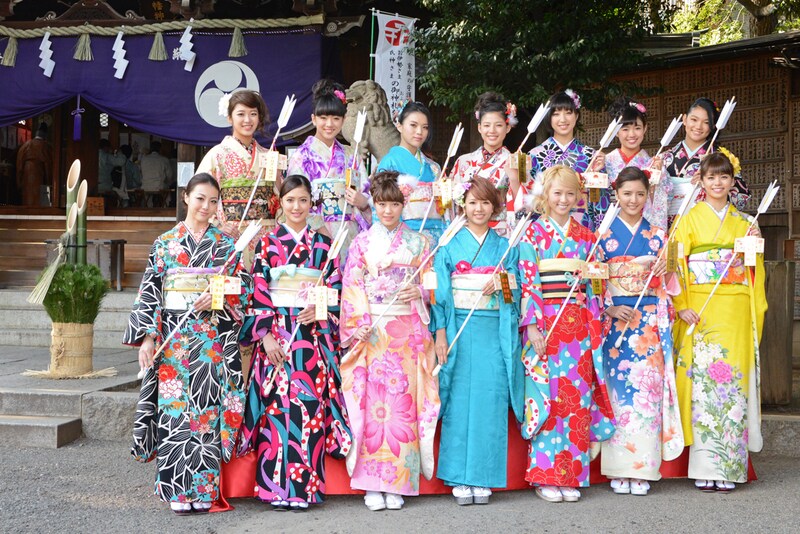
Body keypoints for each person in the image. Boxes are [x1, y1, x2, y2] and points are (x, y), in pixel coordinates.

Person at [124, 173, 252, 514]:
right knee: (175, 413)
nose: (206, 207)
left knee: (206, 416)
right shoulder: (165, 243)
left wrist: (216, 294)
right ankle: (176, 488)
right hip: (173, 341)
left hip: (210, 341)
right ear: (186, 197)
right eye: (200, 199)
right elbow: (151, 292)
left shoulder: (225, 245)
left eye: (213, 201)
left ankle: (204, 489)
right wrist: (148, 339)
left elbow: (244, 288)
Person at [237, 175, 352, 509]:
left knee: (309, 410)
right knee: (276, 410)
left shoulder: (323, 245)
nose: (297, 207)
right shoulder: (267, 244)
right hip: (277, 337)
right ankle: (273, 488)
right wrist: (266, 336)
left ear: (311, 204)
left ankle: (305, 490)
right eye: (290, 201)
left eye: (303, 200)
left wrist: (319, 306)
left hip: (310, 338)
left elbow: (335, 289)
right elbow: (258, 292)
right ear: (281, 204)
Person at [339, 170, 440, 511]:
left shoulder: (421, 242)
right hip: (374, 329)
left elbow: (432, 282)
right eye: (381, 204)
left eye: (394, 204)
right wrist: (359, 324)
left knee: (404, 403)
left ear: (403, 204)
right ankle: (371, 482)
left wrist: (422, 291)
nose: (387, 211)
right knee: (372, 402)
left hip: (406, 330)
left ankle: (397, 481)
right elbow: (352, 285)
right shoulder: (361, 242)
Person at [517, 165, 615, 503]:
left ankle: (571, 476)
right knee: (548, 398)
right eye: (557, 193)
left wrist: (592, 277)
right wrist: (531, 326)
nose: (563, 199)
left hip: (579, 327)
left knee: (577, 400)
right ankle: (545, 475)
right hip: (546, 323)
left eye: (569, 194)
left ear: (578, 197)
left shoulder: (588, 238)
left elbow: (599, 284)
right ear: (546, 195)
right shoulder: (532, 236)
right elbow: (529, 282)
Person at [671, 152, 766, 492]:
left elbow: (754, 269)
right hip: (701, 305)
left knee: (733, 386)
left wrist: (753, 244)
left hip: (735, 307)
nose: (717, 183)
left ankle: (729, 466)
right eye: (711, 177)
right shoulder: (688, 218)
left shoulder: (744, 222)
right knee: (704, 388)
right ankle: (704, 465)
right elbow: (677, 262)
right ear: (701, 180)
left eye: (724, 177)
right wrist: (681, 304)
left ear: (731, 181)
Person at [431, 177, 524, 506]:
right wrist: (440, 333)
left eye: (485, 202)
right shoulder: (448, 246)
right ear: (462, 205)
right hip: (459, 328)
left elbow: (517, 289)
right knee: (459, 399)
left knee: (489, 399)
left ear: (495, 206)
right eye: (472, 202)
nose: (479, 209)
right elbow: (439, 295)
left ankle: (483, 477)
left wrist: (502, 283)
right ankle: (458, 475)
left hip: (492, 329)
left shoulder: (505, 246)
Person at [597, 167, 684, 496]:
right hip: (616, 323)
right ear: (615, 195)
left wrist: (667, 267)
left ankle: (644, 468)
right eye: (627, 193)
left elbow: (672, 285)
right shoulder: (602, 235)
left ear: (648, 197)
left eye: (640, 194)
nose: (633, 200)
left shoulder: (659, 235)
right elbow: (594, 277)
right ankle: (619, 468)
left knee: (646, 396)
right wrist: (608, 307)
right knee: (619, 396)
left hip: (647, 323)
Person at [286, 79, 371, 262]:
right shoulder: (302, 156)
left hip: (348, 231)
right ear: (313, 119)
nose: (329, 124)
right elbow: (295, 199)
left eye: (335, 118)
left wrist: (363, 202)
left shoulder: (351, 154)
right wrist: (322, 231)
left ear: (344, 120)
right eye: (323, 118)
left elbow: (365, 192)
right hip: (315, 232)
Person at [197, 90, 277, 247]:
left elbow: (279, 197)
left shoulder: (268, 155)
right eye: (241, 114)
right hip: (231, 233)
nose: (247, 120)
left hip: (265, 233)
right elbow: (199, 194)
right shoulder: (218, 155)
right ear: (229, 118)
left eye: (253, 114)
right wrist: (218, 224)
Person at [526, 90, 606, 230]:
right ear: (549, 119)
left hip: (582, 227)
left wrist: (596, 178)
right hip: (546, 227)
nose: (562, 119)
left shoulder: (591, 155)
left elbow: (597, 200)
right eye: (556, 114)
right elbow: (529, 198)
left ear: (576, 116)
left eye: (568, 113)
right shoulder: (535, 155)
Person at [662, 97, 750, 224]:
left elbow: (741, 197)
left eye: (706, 122)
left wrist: (710, 186)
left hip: (706, 225)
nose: (698, 126)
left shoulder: (721, 157)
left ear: (713, 126)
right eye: (694, 120)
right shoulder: (665, 158)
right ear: (685, 119)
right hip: (671, 226)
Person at [451, 92, 519, 235]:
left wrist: (514, 179)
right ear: (479, 127)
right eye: (487, 125)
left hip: (501, 232)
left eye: (498, 125)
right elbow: (452, 204)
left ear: (507, 128)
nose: (492, 131)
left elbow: (524, 204)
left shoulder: (516, 162)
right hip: (468, 231)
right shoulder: (463, 161)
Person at [376, 101, 444, 244]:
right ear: (399, 125)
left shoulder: (434, 167)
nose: (419, 132)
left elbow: (443, 207)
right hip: (402, 238)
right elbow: (380, 205)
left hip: (435, 235)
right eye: (413, 125)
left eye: (425, 127)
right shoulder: (389, 163)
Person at [604, 98, 671, 230]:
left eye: (637, 128)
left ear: (645, 129)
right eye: (625, 129)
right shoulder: (606, 162)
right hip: (612, 228)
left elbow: (664, 202)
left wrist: (657, 179)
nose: (632, 134)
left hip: (643, 228)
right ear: (616, 131)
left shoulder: (653, 164)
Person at [15, 122, 52, 206]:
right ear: (45, 135)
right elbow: (48, 165)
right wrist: (49, 182)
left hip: (26, 177)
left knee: (27, 201)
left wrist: (19, 182)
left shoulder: (25, 146)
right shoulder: (46, 146)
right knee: (41, 204)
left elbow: (19, 165)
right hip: (40, 176)